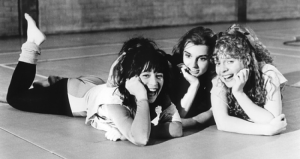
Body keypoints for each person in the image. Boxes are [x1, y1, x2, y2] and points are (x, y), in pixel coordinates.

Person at [6, 13, 182, 146]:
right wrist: (141, 104)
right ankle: (32, 43)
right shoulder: (116, 101)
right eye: (146, 76)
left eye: (158, 76)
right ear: (131, 80)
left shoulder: (156, 88)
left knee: (38, 92)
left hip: (94, 88)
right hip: (73, 96)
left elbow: (176, 129)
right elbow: (141, 138)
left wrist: (132, 128)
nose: (153, 83)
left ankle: (52, 83)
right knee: (15, 97)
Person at [210, 24, 287, 135]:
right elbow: (222, 122)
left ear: (246, 60)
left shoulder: (268, 74)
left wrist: (239, 93)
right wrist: (266, 130)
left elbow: (271, 120)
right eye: (218, 63)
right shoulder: (219, 80)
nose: (222, 70)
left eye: (230, 61)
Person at [168, 26, 216, 128]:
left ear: (212, 59)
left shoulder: (216, 77)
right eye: (188, 55)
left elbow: (215, 113)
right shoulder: (172, 72)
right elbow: (176, 117)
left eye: (202, 58)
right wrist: (194, 85)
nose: (193, 65)